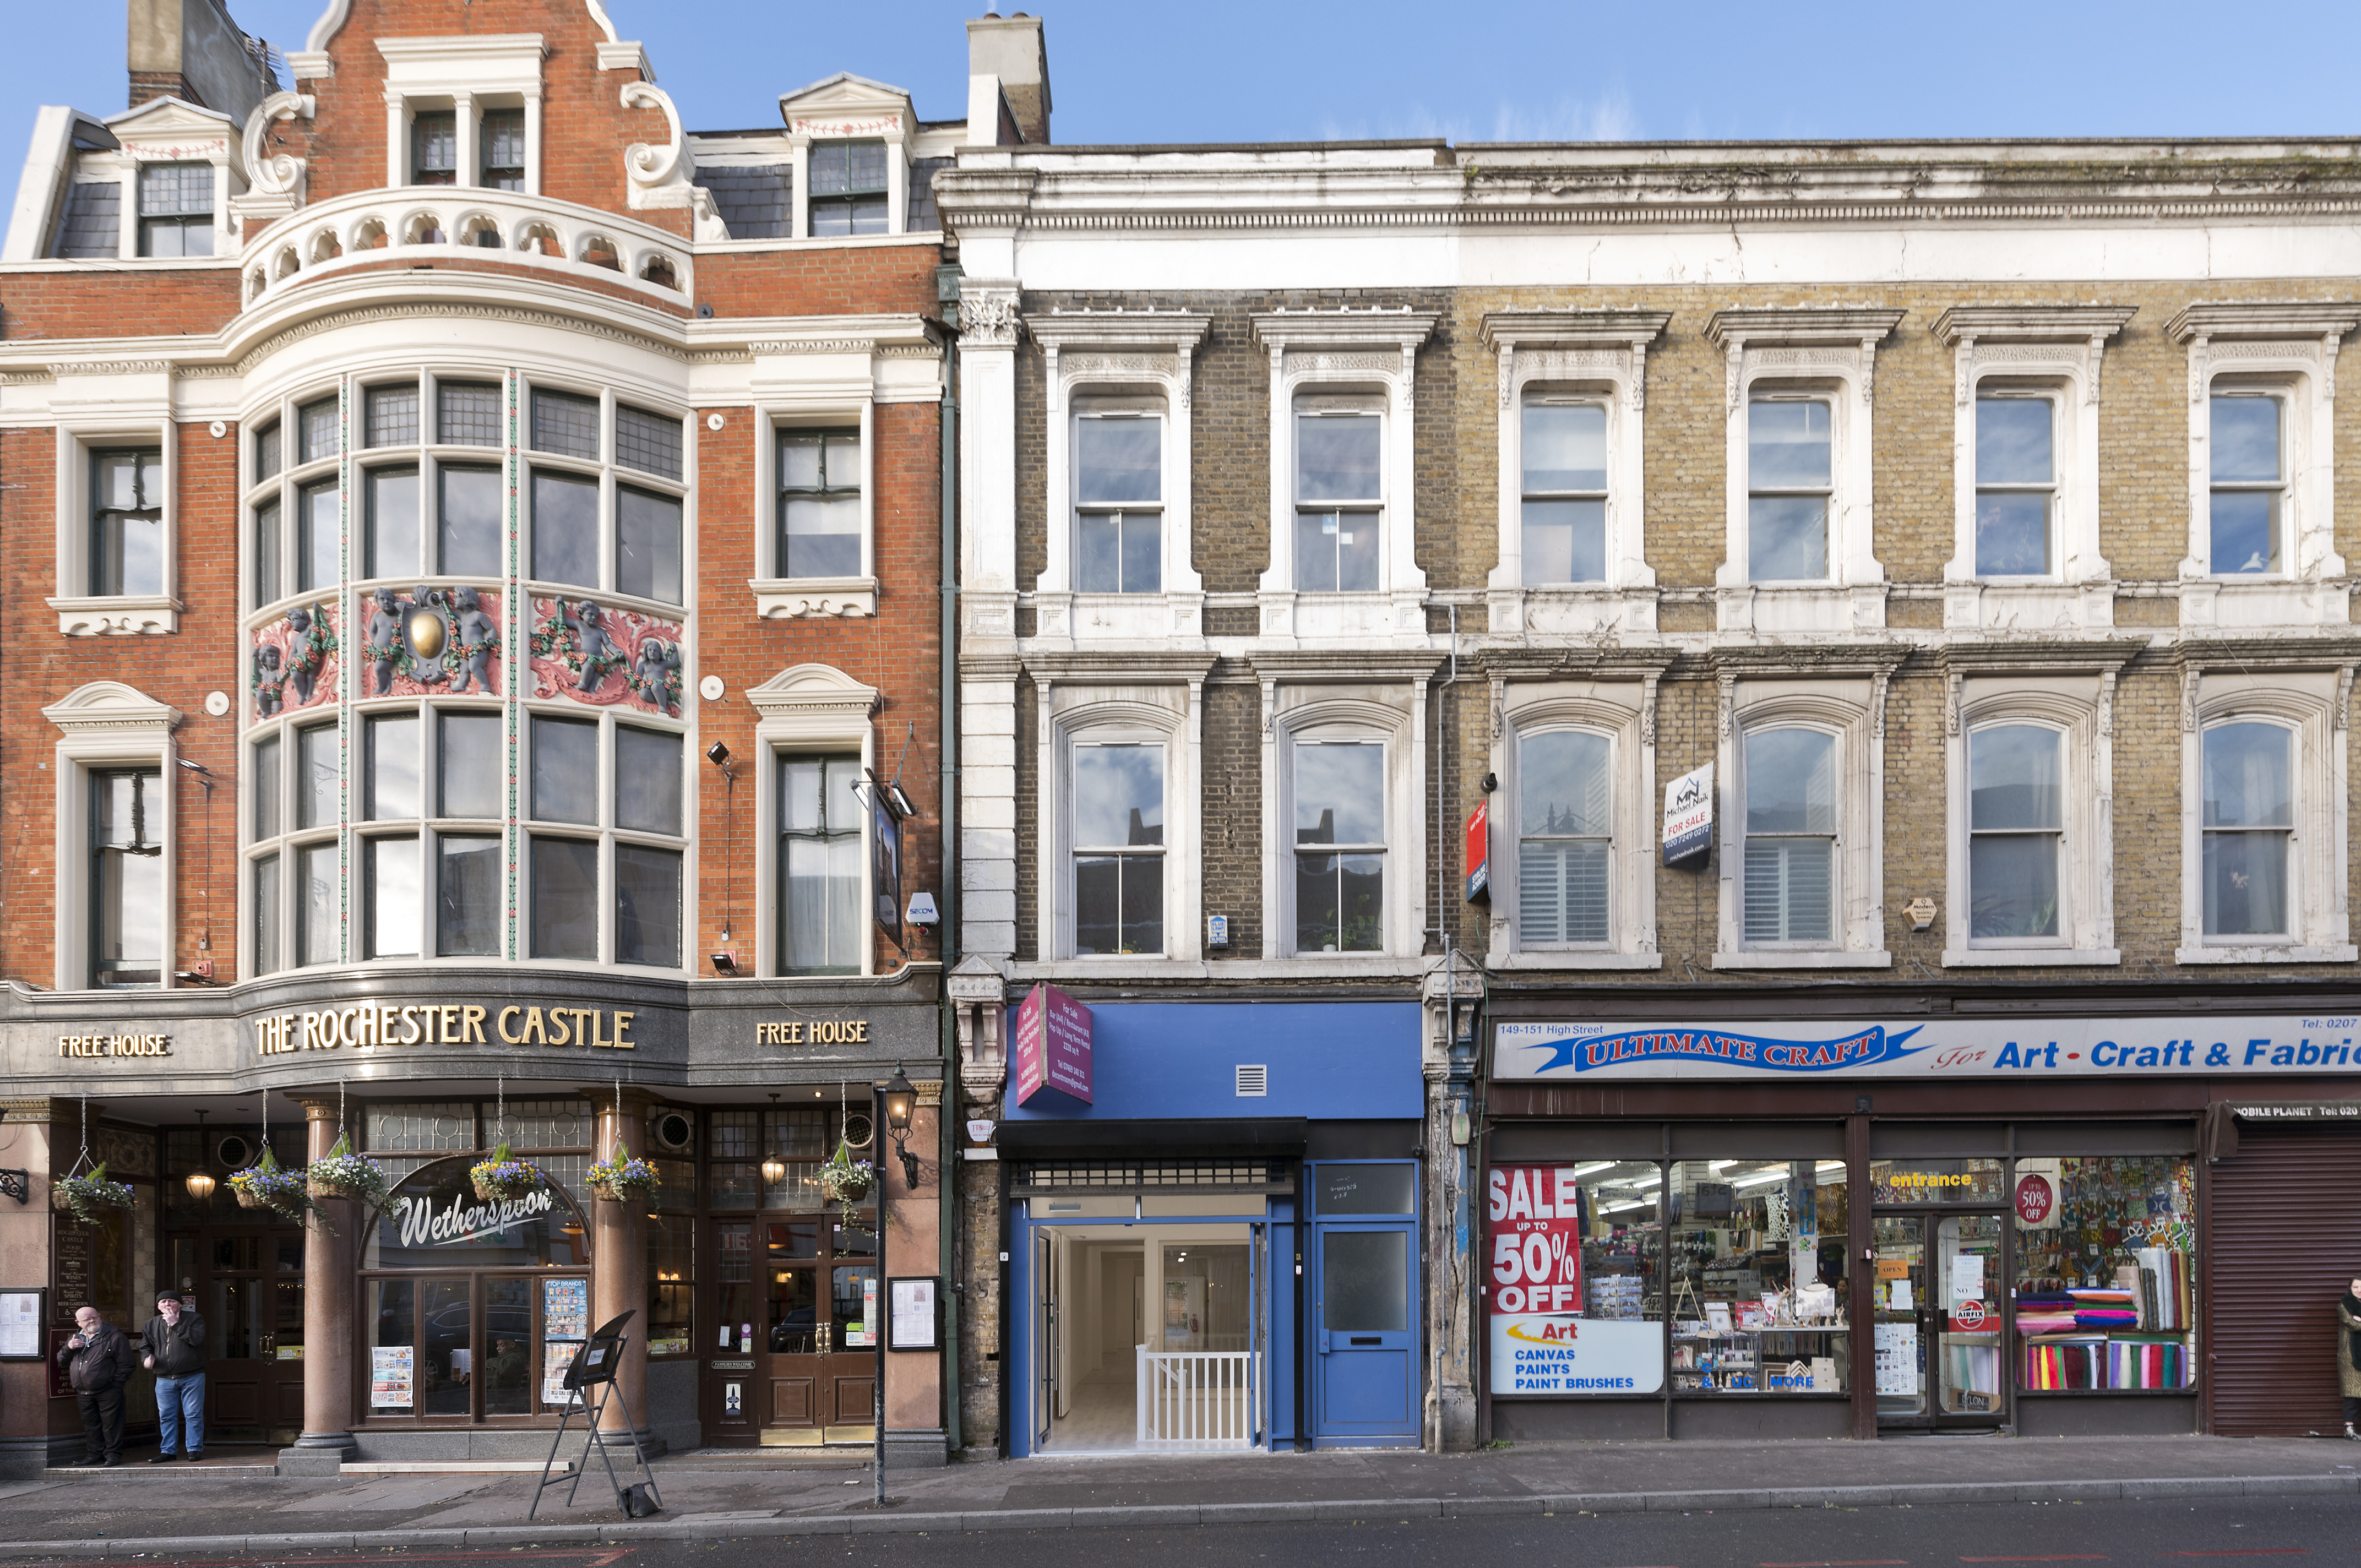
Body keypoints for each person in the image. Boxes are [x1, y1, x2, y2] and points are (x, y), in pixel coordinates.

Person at [55, 1306, 137, 1467]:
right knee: (91, 1425)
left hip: (109, 1390)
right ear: (78, 1323)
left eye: (95, 1317)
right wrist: (68, 1348)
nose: (92, 1321)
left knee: (112, 1424)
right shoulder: (75, 1338)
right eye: (87, 1319)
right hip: (83, 1391)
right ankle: (95, 1455)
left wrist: (116, 1385)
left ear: (100, 1316)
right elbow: (61, 1361)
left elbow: (127, 1364)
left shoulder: (115, 1336)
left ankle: (113, 1455)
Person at [140, 1289, 208, 1462]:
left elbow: (197, 1340)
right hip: (164, 1378)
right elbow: (146, 1347)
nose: (167, 1304)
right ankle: (168, 1451)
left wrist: (176, 1324)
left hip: (192, 1376)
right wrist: (147, 1358)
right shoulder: (151, 1324)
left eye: (172, 1301)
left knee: (193, 1414)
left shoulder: (195, 1319)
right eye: (163, 1302)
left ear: (180, 1304)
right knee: (166, 1416)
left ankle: (194, 1449)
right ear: (158, 1306)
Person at [2341, 1275, 2360, 1441]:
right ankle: (2349, 1429)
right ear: (2350, 1288)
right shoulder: (2344, 1304)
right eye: (2356, 1287)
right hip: (2350, 1355)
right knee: (2352, 1394)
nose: (2359, 1290)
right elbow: (2352, 1324)